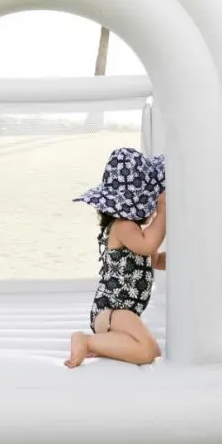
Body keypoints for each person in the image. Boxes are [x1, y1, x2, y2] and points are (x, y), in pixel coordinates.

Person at [65, 147, 167, 369]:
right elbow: (148, 246)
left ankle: (104, 344)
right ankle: (86, 341)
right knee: (147, 351)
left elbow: (155, 259)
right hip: (111, 310)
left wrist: (183, 261)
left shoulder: (135, 233)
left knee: (153, 350)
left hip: (123, 313)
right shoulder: (123, 227)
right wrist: (163, 212)